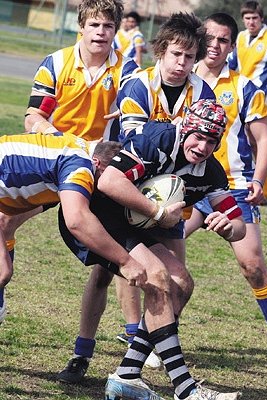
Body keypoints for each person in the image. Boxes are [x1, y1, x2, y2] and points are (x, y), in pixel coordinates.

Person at [60, 11, 218, 381]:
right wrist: (178, 131)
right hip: (125, 188)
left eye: (190, 57)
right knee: (104, 273)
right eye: (176, 54)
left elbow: (196, 139)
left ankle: (136, 355)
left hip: (168, 192)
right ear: (160, 51)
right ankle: (83, 353)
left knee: (178, 281)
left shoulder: (203, 91)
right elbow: (139, 144)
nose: (182, 64)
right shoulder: (137, 85)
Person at [59, 99, 245, 400]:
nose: (202, 147)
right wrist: (158, 214)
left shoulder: (210, 172)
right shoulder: (155, 142)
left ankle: (127, 374)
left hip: (132, 225)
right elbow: (108, 181)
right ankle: (186, 390)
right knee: (156, 277)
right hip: (97, 218)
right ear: (185, 129)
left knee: (182, 284)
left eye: (212, 141)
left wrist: (227, 225)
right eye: (198, 136)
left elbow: (240, 227)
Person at [0, 0, 148, 379]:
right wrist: (56, 138)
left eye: (108, 26)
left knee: (111, 254)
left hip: (98, 170)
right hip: (57, 164)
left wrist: (128, 126)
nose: (101, 32)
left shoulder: (126, 69)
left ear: (117, 30)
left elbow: (135, 118)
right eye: (95, 24)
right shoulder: (57, 62)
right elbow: (34, 115)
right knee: (4, 221)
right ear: (80, 27)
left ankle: (131, 342)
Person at [187, 12, 267, 368]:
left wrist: (257, 180)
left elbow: (264, 140)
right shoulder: (181, 80)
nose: (215, 46)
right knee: (160, 255)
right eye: (210, 38)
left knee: (252, 265)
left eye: (223, 40)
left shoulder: (245, 87)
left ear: (231, 46)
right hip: (186, 187)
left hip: (232, 188)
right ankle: (148, 334)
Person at [0, 133, 149, 294]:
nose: (109, 190)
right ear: (97, 163)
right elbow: (77, 221)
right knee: (3, 271)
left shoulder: (79, 147)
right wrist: (125, 261)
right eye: (110, 178)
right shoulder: (80, 167)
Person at [228, 0, 267, 205]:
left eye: (254, 18)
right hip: (237, 96)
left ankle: (264, 191)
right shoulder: (240, 37)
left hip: (258, 101)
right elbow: (232, 66)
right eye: (247, 18)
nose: (251, 22)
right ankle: (240, 185)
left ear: (261, 18)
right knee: (239, 141)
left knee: (258, 145)